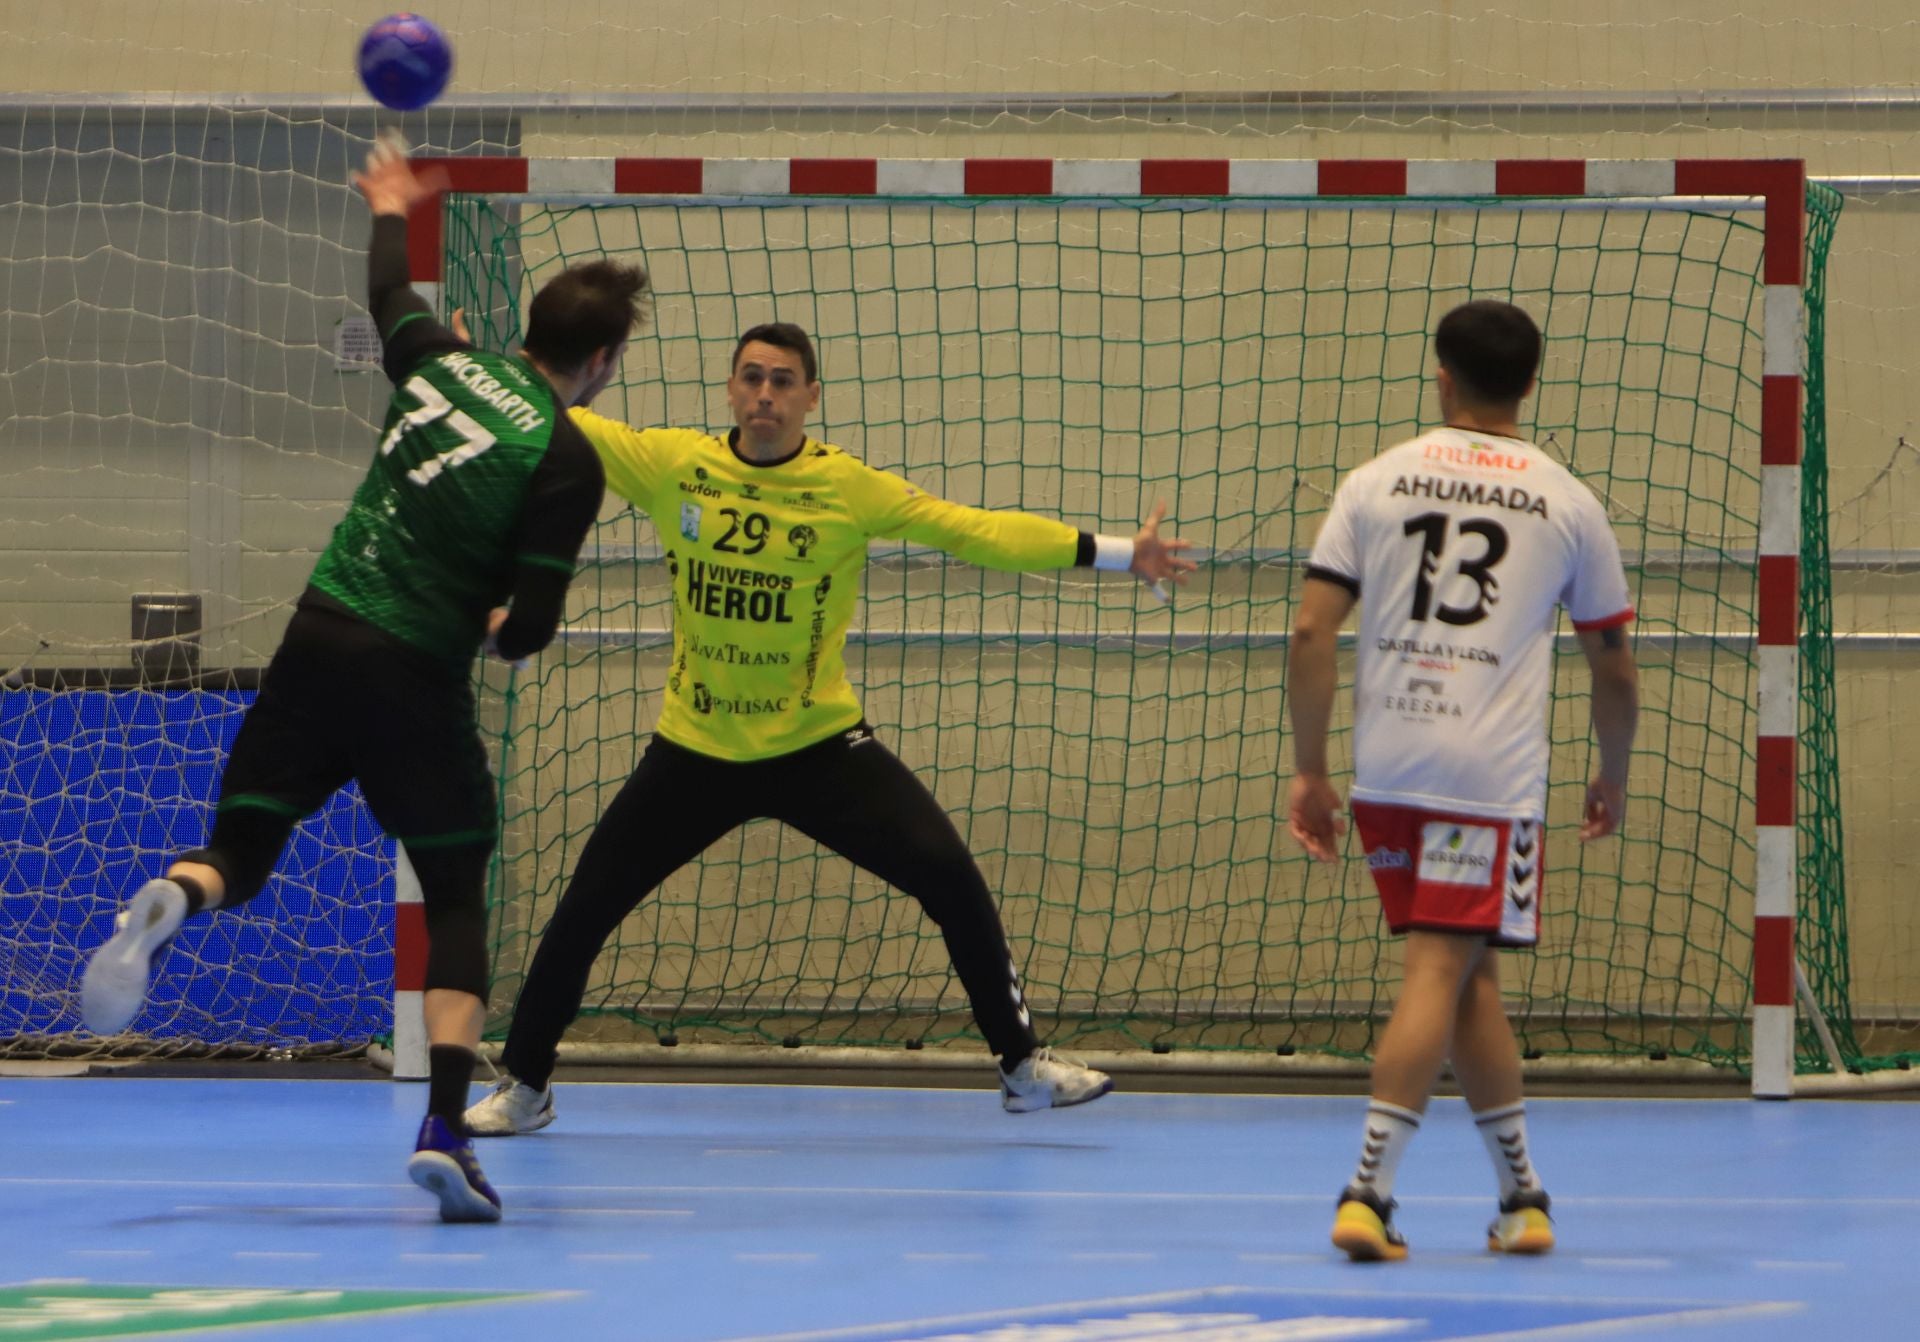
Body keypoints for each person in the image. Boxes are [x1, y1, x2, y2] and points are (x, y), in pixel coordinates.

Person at [79, 136, 647, 1224]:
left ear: (528, 326)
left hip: (316, 635)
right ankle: (443, 1128)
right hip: (410, 675)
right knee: (457, 898)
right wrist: (497, 622)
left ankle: (175, 894)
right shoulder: (567, 455)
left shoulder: (438, 360)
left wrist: (391, 200)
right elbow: (527, 630)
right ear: (605, 360)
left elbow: (388, 287)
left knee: (242, 847)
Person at [462, 319, 1196, 1136]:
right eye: (751, 378)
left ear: (811, 398)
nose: (765, 394)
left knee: (948, 874)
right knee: (584, 909)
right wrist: (464, 364)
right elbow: (552, 411)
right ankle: (526, 1087)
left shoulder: (847, 487)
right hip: (694, 751)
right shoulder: (675, 465)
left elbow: (972, 530)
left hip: (818, 748)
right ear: (731, 390)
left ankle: (1022, 1067)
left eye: (782, 381)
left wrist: (1121, 552)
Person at [1285, 300, 1639, 1262]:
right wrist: (1611, 774)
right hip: (1488, 778)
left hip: (1392, 767)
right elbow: (1613, 664)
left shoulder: (1375, 480)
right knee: (1442, 965)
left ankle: (1523, 1198)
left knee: (1468, 973)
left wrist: (1311, 771)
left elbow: (1312, 632)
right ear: (1530, 384)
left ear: (1440, 374)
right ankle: (1367, 1192)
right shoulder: (1567, 500)